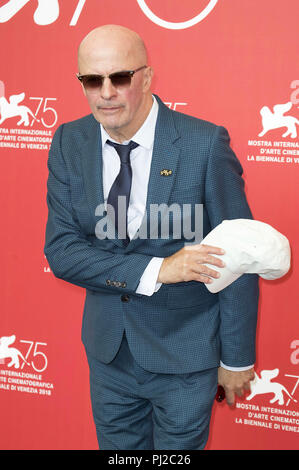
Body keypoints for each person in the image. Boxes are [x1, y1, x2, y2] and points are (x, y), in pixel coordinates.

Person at [44, 25, 259, 450]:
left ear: (145, 76)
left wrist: (236, 358)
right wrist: (160, 268)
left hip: (185, 352)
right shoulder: (70, 141)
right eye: (92, 80)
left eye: (119, 77)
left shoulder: (203, 143)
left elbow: (241, 255)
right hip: (109, 355)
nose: (106, 93)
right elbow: (63, 251)